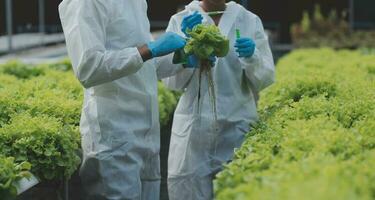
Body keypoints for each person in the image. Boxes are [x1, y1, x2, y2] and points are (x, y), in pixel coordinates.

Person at [58, 0, 187, 199]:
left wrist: (182, 58)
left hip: (146, 134)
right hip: (114, 137)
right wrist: (149, 49)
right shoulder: (86, 2)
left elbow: (144, 65)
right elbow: (89, 68)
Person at [163, 0, 275, 199]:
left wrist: (253, 57)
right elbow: (171, 83)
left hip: (237, 127)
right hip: (194, 130)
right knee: (189, 189)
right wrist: (185, 51)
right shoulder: (181, 20)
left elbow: (265, 79)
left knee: (235, 190)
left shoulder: (248, 21)